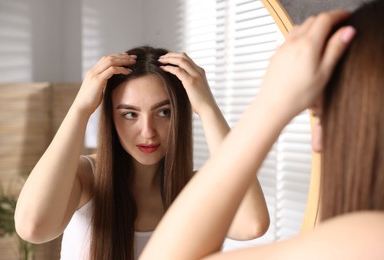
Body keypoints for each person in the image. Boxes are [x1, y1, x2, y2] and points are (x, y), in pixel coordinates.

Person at [140, 1, 384, 259]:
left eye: (323, 117)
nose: (318, 142)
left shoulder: (368, 238)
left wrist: (272, 103)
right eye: (130, 114)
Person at [14, 46, 269, 259]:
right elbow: (32, 228)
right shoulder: (85, 178)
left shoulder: (192, 190)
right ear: (111, 119)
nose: (148, 132)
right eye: (130, 114)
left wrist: (207, 108)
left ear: (180, 115)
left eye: (163, 112)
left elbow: (252, 224)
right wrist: (80, 108)